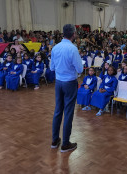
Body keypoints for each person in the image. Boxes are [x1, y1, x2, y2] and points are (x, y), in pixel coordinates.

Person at [50, 24, 83, 152]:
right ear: (73, 34)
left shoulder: (55, 47)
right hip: (69, 82)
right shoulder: (73, 49)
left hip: (58, 82)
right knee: (68, 112)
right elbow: (80, 69)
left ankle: (54, 140)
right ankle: (65, 143)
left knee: (58, 110)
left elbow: (52, 68)